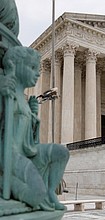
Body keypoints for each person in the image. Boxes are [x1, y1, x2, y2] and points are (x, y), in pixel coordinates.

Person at [0, 46, 70, 211]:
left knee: (62, 152)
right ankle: (5, 183)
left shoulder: (24, 101)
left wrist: (33, 115)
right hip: (10, 155)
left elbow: (29, 137)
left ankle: (51, 191)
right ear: (14, 66)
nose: (37, 73)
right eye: (32, 68)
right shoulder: (7, 92)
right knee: (37, 194)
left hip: (28, 151)